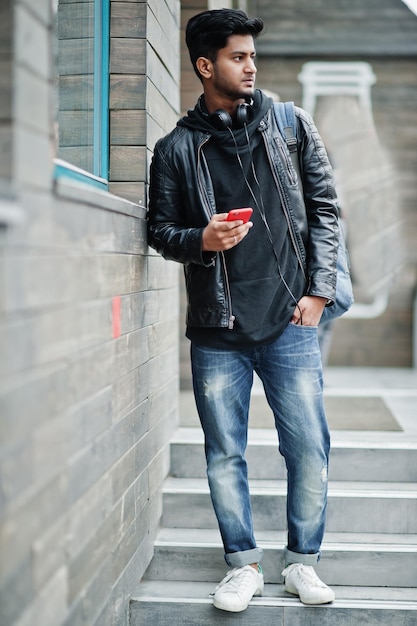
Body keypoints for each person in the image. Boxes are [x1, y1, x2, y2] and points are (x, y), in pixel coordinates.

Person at [148, 8, 338, 613]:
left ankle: (302, 563)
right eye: (237, 56)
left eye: (252, 55)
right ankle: (243, 565)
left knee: (307, 445)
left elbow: (326, 209)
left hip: (290, 321)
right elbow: (160, 229)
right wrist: (198, 240)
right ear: (206, 66)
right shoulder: (175, 149)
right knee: (224, 451)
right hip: (217, 327)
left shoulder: (290, 125)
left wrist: (318, 291)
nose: (250, 65)